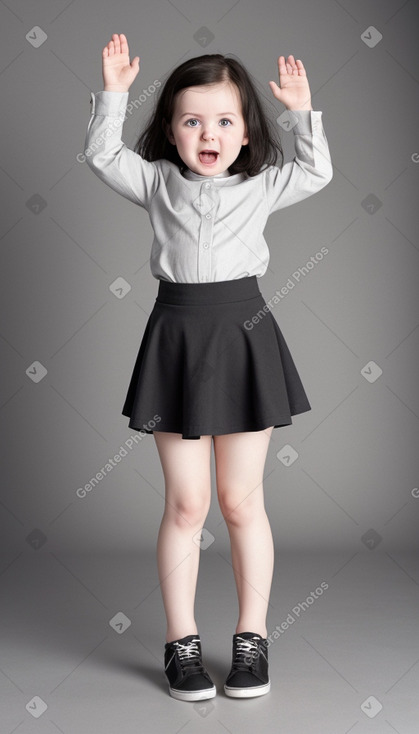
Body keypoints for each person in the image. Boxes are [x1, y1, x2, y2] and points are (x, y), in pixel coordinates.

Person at [84, 33, 333, 702]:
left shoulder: (262, 183)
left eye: (224, 120)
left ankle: (251, 637)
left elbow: (316, 174)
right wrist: (112, 93)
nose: (208, 133)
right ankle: (181, 643)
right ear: (170, 129)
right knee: (188, 502)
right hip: (176, 337)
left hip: (244, 335)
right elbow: (101, 154)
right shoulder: (157, 181)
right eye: (191, 120)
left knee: (240, 500)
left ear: (246, 131)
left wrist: (302, 111)